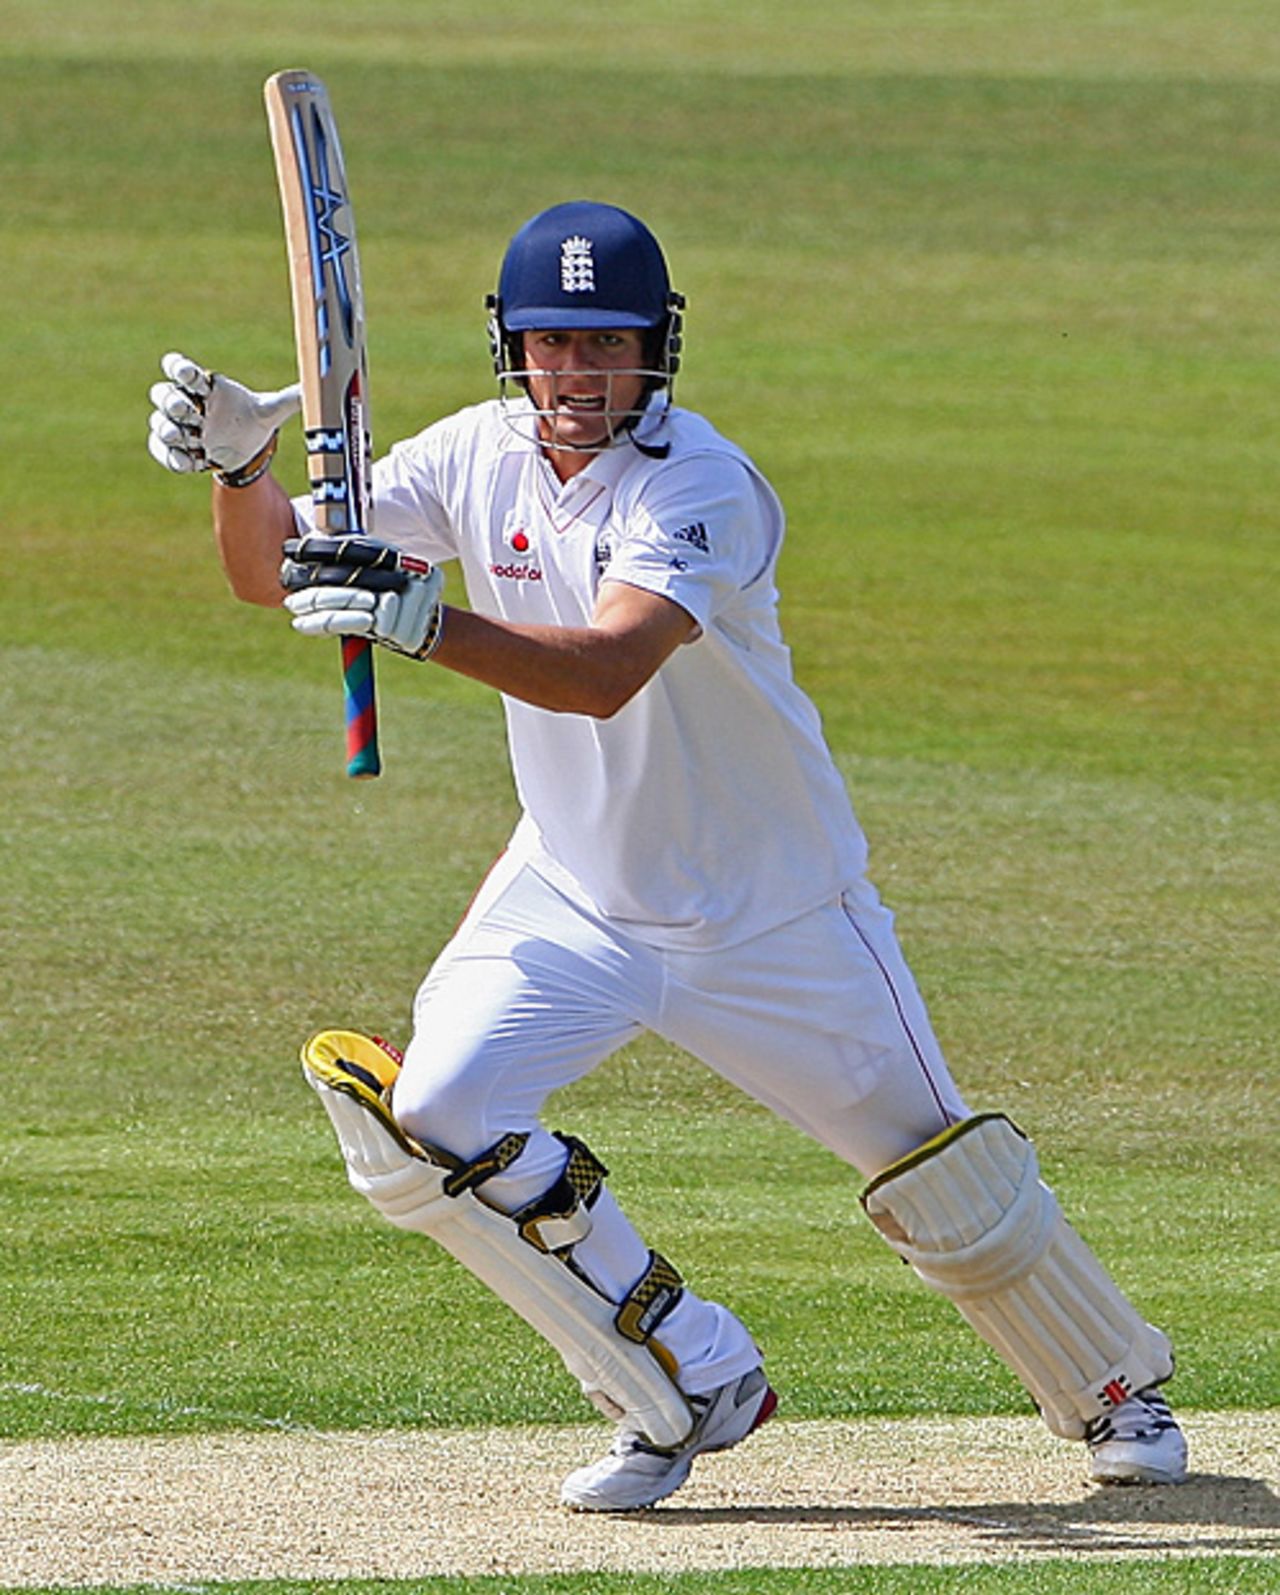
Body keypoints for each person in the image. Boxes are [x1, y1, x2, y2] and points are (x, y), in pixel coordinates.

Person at [147, 200, 1187, 1511]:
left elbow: (608, 669)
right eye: (552, 344)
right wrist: (246, 477)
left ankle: (1112, 1388)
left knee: (942, 1174)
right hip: (574, 895)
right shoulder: (473, 452)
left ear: (657, 349)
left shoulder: (701, 483)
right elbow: (274, 575)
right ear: (510, 348)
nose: (578, 372)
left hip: (773, 910)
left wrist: (424, 625)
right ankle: (686, 1381)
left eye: (608, 344)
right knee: (434, 1120)